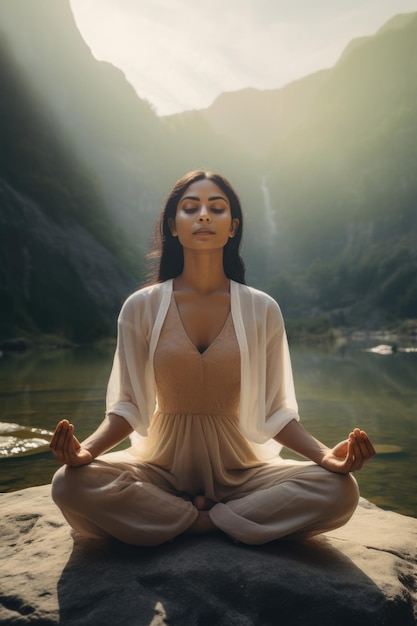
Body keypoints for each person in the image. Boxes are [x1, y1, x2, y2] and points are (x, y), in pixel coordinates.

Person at [50, 170, 375, 546]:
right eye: (191, 208)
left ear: (232, 226)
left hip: (244, 472)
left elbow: (275, 411)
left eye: (216, 208)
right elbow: (128, 406)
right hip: (159, 469)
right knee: (69, 483)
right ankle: (213, 522)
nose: (203, 215)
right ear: (173, 226)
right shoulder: (141, 307)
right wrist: (85, 451)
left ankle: (198, 519)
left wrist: (326, 459)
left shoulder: (262, 309)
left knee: (340, 490)